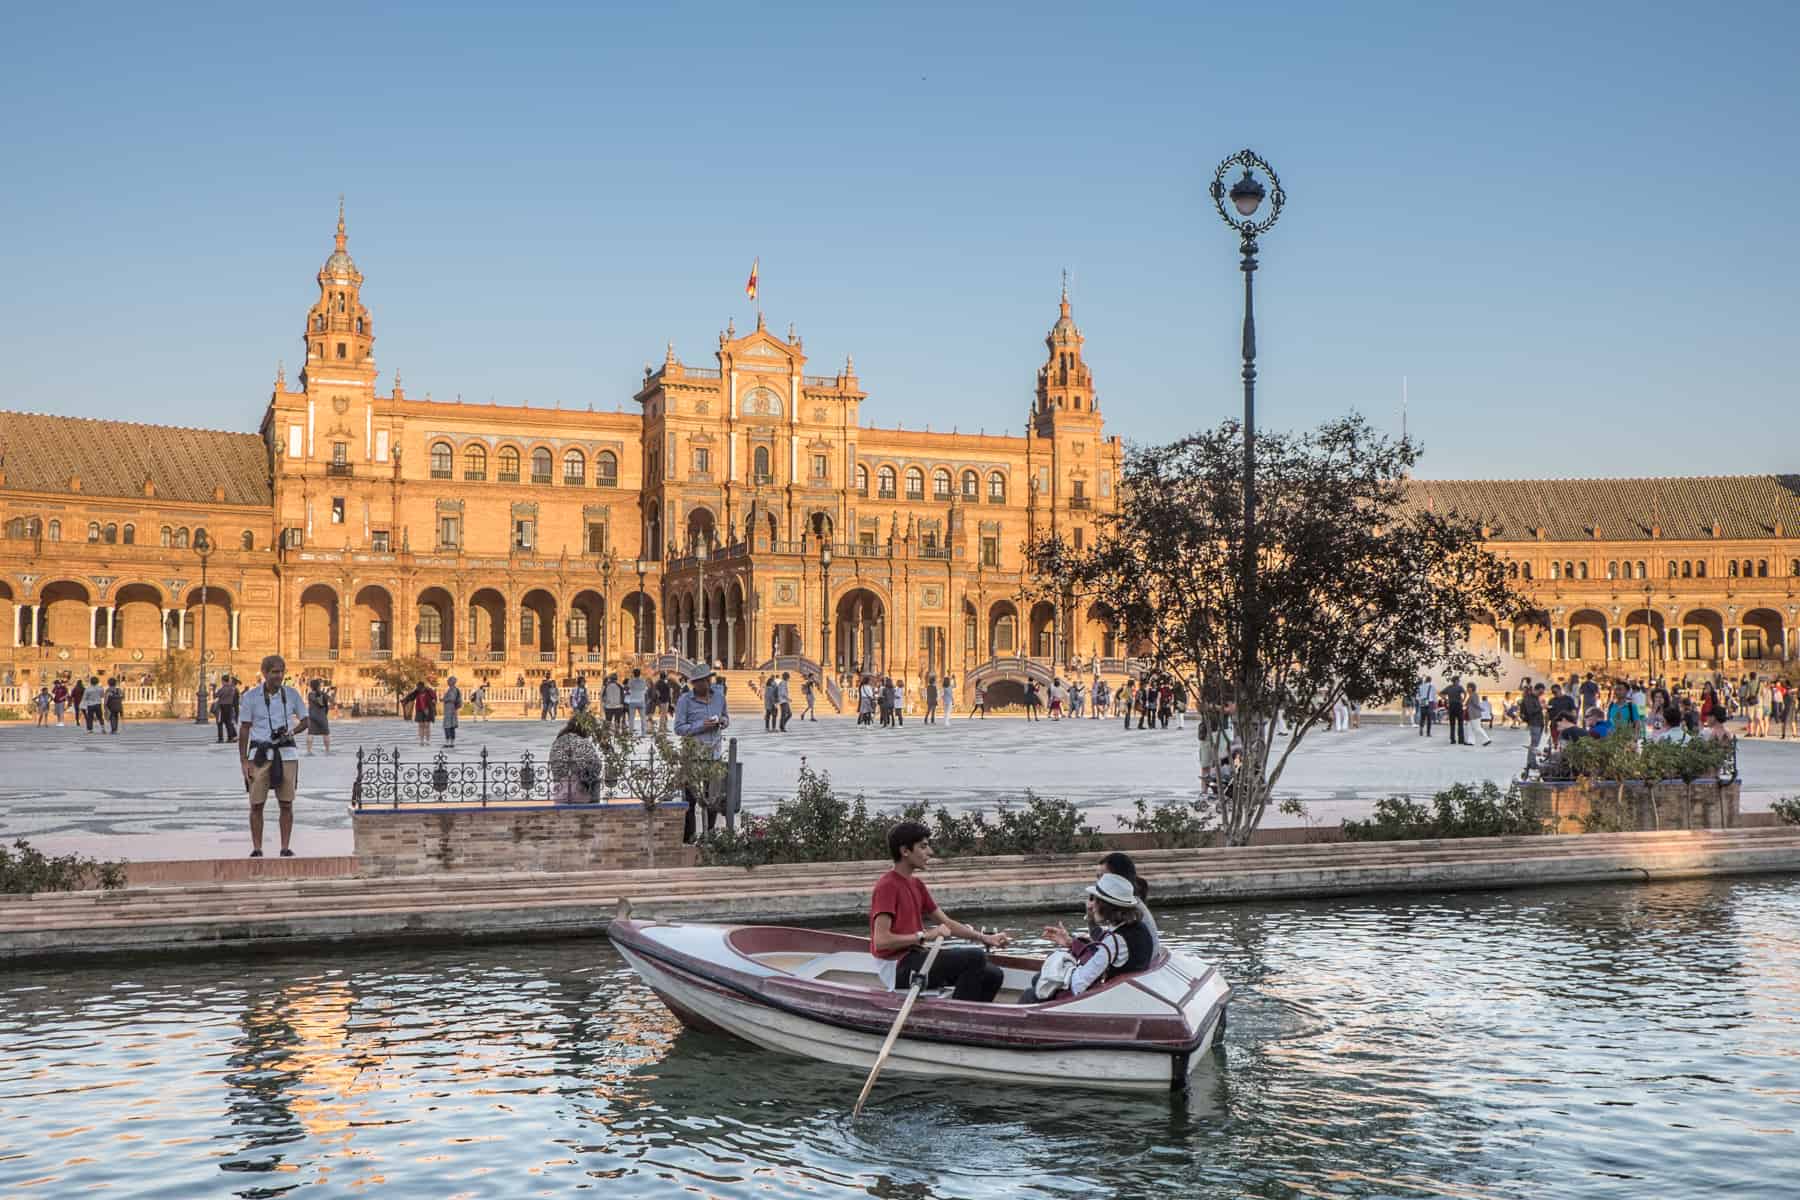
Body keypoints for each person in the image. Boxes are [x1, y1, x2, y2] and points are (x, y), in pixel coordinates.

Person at [868, 821, 1007, 1002]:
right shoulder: (887, 886)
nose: (930, 852)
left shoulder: (916, 884)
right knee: (975, 957)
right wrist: (925, 935)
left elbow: (947, 923)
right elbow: (881, 942)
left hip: (916, 957)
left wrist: (984, 938)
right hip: (896, 967)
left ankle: (971, 1019)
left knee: (993, 974)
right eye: (923, 847)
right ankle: (958, 1020)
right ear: (905, 851)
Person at [1023, 872, 1156, 1003]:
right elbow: (1102, 945)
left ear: (1106, 906)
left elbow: (1078, 985)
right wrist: (1071, 943)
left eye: (1094, 900)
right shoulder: (1138, 928)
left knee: (1030, 994)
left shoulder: (1115, 940)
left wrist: (1063, 966)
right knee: (1039, 980)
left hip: (1106, 1001)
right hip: (1125, 994)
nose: (1090, 905)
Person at [237, 653, 310, 858]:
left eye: (281, 672)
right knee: (256, 803)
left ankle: (285, 847)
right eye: (274, 672)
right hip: (259, 754)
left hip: (286, 753)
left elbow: (306, 720)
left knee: (286, 803)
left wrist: (292, 732)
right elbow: (244, 729)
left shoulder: (292, 694)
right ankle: (257, 848)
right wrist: (244, 760)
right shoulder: (251, 697)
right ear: (265, 673)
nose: (278, 676)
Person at [673, 669, 730, 842]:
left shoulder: (719, 697)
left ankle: (710, 837)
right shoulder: (685, 701)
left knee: (712, 799)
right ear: (693, 684)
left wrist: (722, 721)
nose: (703, 684)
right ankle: (689, 838)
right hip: (693, 757)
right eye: (699, 682)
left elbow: (726, 718)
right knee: (690, 800)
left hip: (714, 755)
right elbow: (679, 728)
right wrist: (701, 725)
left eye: (706, 680)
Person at [1520, 682, 1546, 775]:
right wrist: (1541, 707)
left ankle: (1531, 762)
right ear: (1537, 689)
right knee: (1534, 744)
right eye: (1540, 692)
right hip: (1534, 723)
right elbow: (1531, 711)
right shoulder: (1529, 698)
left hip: (1539, 723)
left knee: (1535, 744)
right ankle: (1531, 763)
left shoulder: (1536, 698)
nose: (1541, 694)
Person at [401, 679, 436, 746]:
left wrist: (433, 702)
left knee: (427, 725)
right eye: (418, 688)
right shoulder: (417, 692)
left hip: (428, 710)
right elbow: (410, 697)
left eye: (420, 688)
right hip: (419, 710)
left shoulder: (429, 691)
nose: (419, 689)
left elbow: (434, 697)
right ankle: (421, 741)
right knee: (421, 726)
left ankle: (427, 741)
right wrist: (404, 700)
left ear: (423, 687)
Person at [305, 678, 332, 754]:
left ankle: (309, 751)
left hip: (312, 715)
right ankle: (327, 750)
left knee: (310, 733)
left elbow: (315, 701)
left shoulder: (310, 694)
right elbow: (331, 700)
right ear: (318, 686)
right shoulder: (322, 693)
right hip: (321, 716)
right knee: (326, 733)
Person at [214, 675, 240, 742]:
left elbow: (216, 695)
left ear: (223, 681)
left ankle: (220, 738)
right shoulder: (232, 689)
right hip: (229, 707)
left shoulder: (223, 689)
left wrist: (215, 689)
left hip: (222, 707)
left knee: (220, 723)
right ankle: (230, 738)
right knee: (228, 723)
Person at [1442, 676, 1466, 745]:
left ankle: (1452, 740)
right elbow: (1465, 693)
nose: (1459, 682)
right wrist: (1463, 700)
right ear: (1456, 681)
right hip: (1458, 706)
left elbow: (1440, 693)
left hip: (1451, 706)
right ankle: (1461, 740)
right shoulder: (1459, 687)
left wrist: (1446, 699)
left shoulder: (1449, 687)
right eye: (1458, 680)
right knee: (1460, 723)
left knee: (1452, 724)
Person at [442, 675, 463, 747]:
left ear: (452, 682)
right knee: (451, 726)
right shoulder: (452, 689)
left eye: (449, 681)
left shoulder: (453, 690)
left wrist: (444, 699)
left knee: (448, 726)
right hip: (451, 709)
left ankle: (449, 742)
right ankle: (451, 742)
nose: (447, 682)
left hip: (450, 709)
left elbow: (452, 698)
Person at [626, 668, 647, 732]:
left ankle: (630, 732)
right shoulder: (643, 681)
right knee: (643, 718)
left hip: (632, 701)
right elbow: (645, 689)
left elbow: (628, 688)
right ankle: (643, 732)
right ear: (640, 674)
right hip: (641, 700)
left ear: (633, 674)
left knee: (631, 718)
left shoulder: (631, 681)